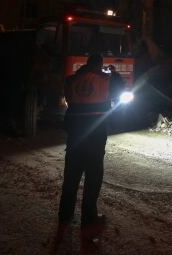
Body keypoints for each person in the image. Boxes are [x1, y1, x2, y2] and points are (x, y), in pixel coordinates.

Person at [54, 53, 123, 248]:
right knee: (93, 180)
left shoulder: (72, 80)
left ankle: (64, 216)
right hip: (95, 137)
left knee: (71, 178)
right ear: (100, 65)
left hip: (75, 135)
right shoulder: (106, 80)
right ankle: (89, 218)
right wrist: (113, 73)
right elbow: (120, 91)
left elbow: (69, 99)